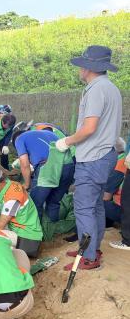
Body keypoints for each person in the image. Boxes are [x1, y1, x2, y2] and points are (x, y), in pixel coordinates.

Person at [55, 46, 122, 270]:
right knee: (96, 206)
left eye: (82, 65)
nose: (79, 69)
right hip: (106, 155)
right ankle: (92, 248)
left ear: (88, 67)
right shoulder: (110, 88)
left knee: (84, 208)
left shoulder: (96, 90)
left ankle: (89, 256)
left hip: (93, 157)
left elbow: (90, 127)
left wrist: (67, 141)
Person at [12, 128, 75, 222]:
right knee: (53, 202)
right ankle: (50, 228)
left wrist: (27, 184)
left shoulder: (19, 139)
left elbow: (24, 164)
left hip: (47, 167)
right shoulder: (47, 133)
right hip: (68, 166)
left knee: (35, 203)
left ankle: (36, 230)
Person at [0, 167, 43, 258]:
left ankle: (13, 256)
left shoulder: (13, 197)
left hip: (28, 238)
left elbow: (0, 226)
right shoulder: (6, 185)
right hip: (17, 229)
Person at [103, 138, 127, 227]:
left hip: (125, 212)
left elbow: (106, 197)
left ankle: (106, 226)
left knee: (96, 202)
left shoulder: (118, 166)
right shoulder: (125, 159)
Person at [109, 149, 130, 251]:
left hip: (120, 209)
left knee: (99, 203)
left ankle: (127, 241)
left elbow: (106, 196)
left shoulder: (121, 163)